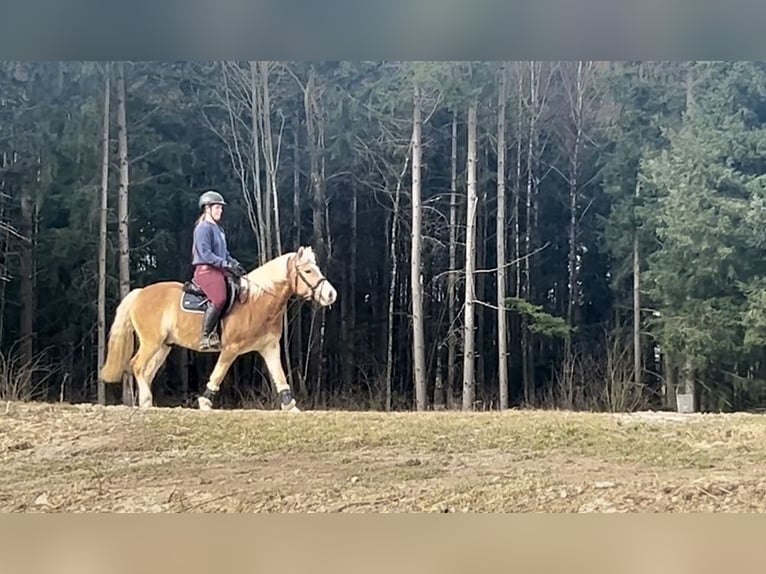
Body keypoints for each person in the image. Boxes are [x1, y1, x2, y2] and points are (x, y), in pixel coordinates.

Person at [191, 190, 247, 350]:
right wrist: (224, 264)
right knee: (220, 298)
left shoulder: (219, 230)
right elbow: (205, 253)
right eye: (217, 208)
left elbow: (225, 253)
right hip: (206, 271)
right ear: (207, 208)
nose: (220, 211)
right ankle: (206, 336)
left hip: (219, 269)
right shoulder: (203, 228)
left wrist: (234, 264)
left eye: (221, 208)